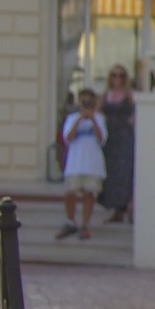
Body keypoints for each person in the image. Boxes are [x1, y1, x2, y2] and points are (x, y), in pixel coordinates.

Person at [57, 87, 106, 240]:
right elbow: (68, 138)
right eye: (84, 101)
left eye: (89, 102)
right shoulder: (71, 118)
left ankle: (85, 224)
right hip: (75, 163)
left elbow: (102, 139)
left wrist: (92, 118)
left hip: (92, 163)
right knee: (70, 192)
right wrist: (80, 119)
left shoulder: (99, 118)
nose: (86, 104)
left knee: (89, 194)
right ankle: (70, 221)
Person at [98, 65, 137, 224]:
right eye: (114, 75)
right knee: (111, 173)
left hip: (125, 137)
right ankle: (116, 210)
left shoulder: (129, 95)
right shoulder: (105, 95)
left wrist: (134, 119)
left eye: (121, 76)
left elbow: (137, 110)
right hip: (110, 138)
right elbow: (98, 112)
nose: (117, 79)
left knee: (125, 172)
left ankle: (129, 208)